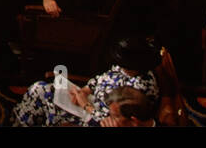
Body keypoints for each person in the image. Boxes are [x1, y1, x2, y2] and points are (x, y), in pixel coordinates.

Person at [12, 38, 160, 127]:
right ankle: (17, 123)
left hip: (92, 117)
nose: (119, 65)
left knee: (43, 101)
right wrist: (84, 90)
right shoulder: (123, 67)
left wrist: (85, 105)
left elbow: (117, 121)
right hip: (88, 100)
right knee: (40, 88)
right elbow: (99, 80)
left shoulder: (142, 88)